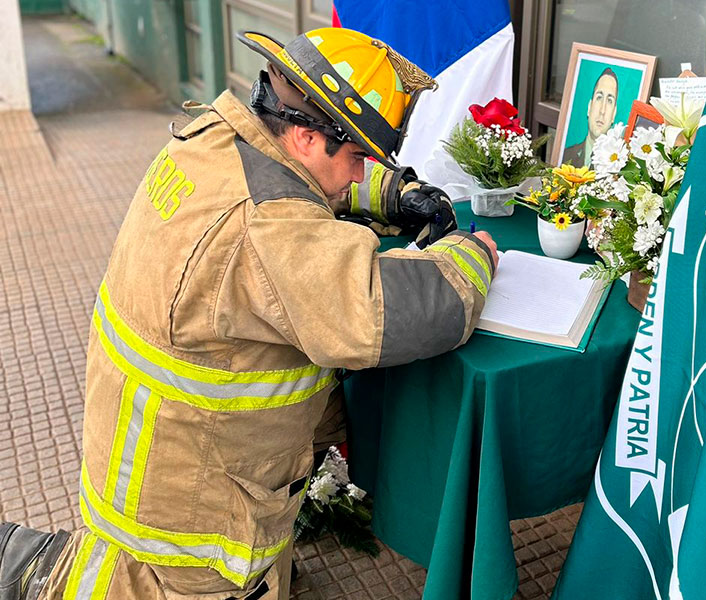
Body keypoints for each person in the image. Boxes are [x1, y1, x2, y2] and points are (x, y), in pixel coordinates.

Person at [0, 27, 498, 600]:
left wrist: (393, 194)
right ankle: (41, 578)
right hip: (191, 517)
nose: (361, 174)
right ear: (310, 137)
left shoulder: (216, 135)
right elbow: (387, 312)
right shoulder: (266, 231)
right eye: (360, 155)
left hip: (139, 454)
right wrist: (471, 256)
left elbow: (291, 181)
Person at [561, 67, 618, 167]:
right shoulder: (565, 156)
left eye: (609, 101)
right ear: (589, 107)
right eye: (599, 98)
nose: (602, 111)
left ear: (613, 114)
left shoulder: (617, 168)